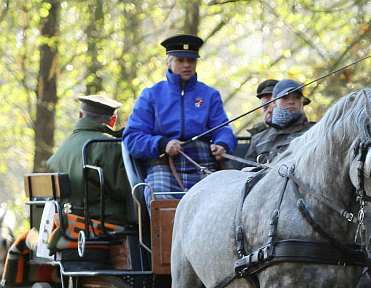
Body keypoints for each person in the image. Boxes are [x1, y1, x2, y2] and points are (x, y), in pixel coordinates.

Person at [123, 34, 237, 200]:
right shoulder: (151, 95)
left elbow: (223, 129)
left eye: (191, 61)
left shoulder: (210, 95)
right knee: (159, 199)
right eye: (180, 60)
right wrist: (162, 144)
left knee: (224, 201)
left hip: (203, 162)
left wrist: (222, 144)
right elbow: (132, 137)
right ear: (168, 62)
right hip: (163, 164)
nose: (186, 65)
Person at [46, 94, 130, 224]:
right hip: (104, 225)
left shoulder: (62, 149)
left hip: (64, 224)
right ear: (112, 121)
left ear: (80, 115)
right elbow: (127, 192)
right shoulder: (110, 146)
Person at [245, 79, 315, 165]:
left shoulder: (314, 132)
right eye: (285, 97)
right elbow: (247, 173)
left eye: (297, 97)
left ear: (302, 101)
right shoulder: (258, 139)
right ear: (274, 102)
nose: (292, 101)